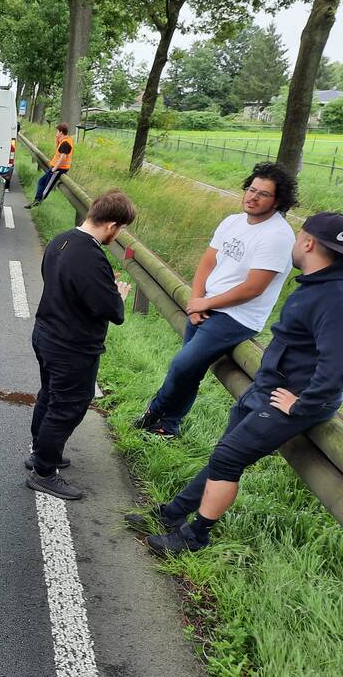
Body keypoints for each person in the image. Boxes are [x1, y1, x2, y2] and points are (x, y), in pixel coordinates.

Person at [133, 213, 343, 553]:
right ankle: (173, 514)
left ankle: (195, 535)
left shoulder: (334, 296)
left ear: (308, 243)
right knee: (224, 455)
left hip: (290, 399)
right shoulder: (319, 284)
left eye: (300, 233)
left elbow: (336, 365)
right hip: (269, 386)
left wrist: (303, 404)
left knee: (229, 457)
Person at [133, 162, 298, 438]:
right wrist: (196, 299)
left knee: (182, 365)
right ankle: (168, 425)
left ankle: (155, 410)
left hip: (238, 317)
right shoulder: (232, 221)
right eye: (251, 189)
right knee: (190, 370)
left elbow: (253, 288)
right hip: (207, 304)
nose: (252, 197)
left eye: (263, 194)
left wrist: (206, 304)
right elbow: (207, 263)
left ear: (278, 200)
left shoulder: (278, 236)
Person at [25, 190, 136, 500]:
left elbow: (60, 281)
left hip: (46, 332)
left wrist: (103, 287)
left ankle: (40, 452)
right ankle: (44, 472)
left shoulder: (62, 240)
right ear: (112, 225)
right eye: (122, 228)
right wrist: (118, 294)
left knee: (50, 394)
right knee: (68, 406)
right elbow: (111, 311)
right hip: (71, 345)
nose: (120, 234)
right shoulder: (91, 256)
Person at [25, 123, 73, 209]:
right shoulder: (63, 141)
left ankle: (37, 203)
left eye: (57, 132)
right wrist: (56, 138)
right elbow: (57, 149)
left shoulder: (65, 143)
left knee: (47, 187)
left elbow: (63, 158)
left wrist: (54, 169)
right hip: (56, 168)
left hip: (59, 169)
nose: (56, 133)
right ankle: (36, 201)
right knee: (41, 181)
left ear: (61, 132)